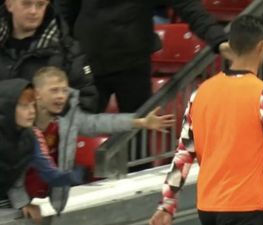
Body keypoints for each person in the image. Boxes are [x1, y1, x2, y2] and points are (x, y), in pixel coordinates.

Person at [149, 15, 263, 225]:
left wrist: (167, 204)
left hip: (208, 208)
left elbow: (183, 154)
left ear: (231, 46)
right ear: (262, 46)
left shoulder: (200, 93)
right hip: (245, 208)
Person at [31, 66, 175, 214]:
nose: (61, 96)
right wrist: (21, 202)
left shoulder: (68, 119)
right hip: (15, 202)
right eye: (54, 90)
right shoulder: (21, 123)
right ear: (37, 94)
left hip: (45, 198)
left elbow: (99, 122)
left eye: (64, 90)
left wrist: (140, 122)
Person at [56, 0, 233, 113]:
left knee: (136, 139)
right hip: (88, 63)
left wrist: (218, 39)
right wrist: (67, 52)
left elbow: (188, 6)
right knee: (74, 133)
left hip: (133, 66)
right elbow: (64, 13)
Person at [0, 79, 85, 224]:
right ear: (6, 108)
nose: (32, 111)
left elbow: (45, 171)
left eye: (33, 105)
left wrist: (77, 175)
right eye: (24, 106)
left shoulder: (31, 137)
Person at [0, 0, 98, 112]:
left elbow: (86, 99)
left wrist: (51, 123)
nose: (33, 11)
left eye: (40, 4)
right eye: (26, 3)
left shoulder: (68, 51)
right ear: (9, 5)